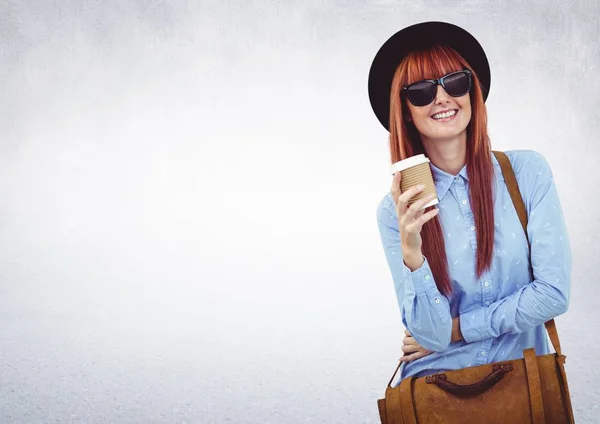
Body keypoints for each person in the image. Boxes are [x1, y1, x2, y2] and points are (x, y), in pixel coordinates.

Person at [368, 21, 572, 383]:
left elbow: (552, 294)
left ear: (472, 91)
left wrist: (457, 330)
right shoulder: (393, 212)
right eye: (421, 91)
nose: (442, 98)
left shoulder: (527, 173)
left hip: (525, 381)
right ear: (404, 110)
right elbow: (428, 335)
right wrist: (412, 252)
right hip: (436, 389)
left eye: (455, 82)